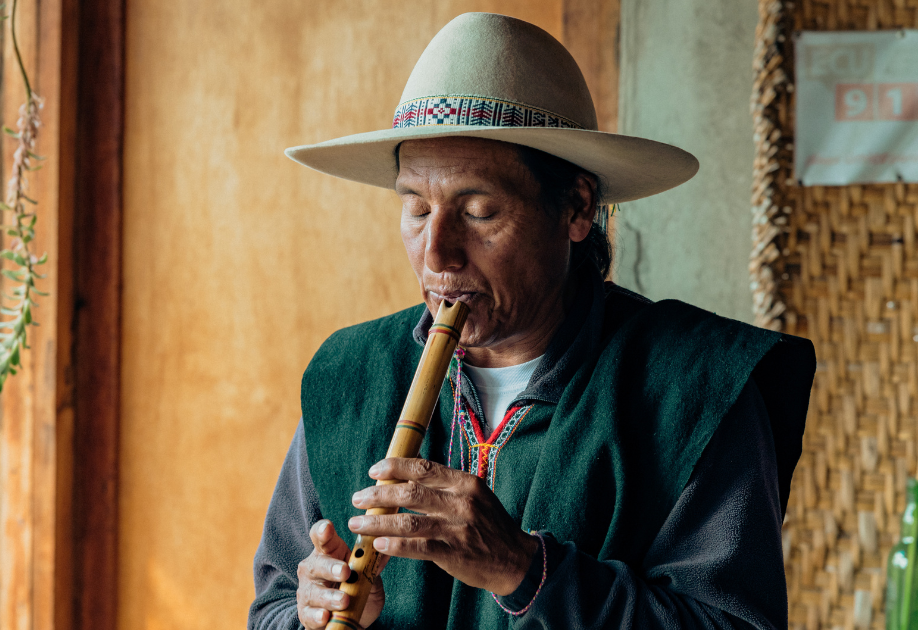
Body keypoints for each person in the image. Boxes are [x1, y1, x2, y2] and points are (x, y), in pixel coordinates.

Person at [249, 13, 815, 630]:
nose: (437, 254)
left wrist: (526, 570)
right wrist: (306, 615)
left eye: (479, 211)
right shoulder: (351, 373)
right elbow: (271, 605)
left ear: (576, 209)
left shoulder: (695, 386)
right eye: (417, 209)